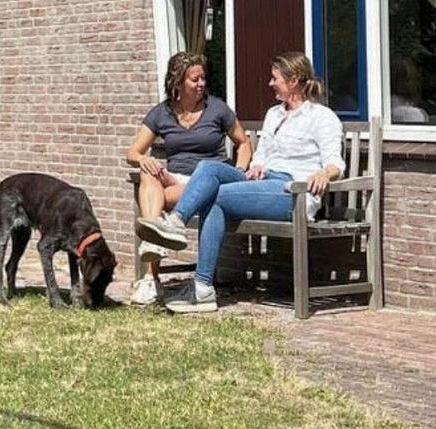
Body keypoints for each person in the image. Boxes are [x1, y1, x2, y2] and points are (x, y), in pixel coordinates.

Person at [136, 52, 346, 313]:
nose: (270, 83)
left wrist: (324, 174)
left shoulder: (322, 117)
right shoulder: (274, 114)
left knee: (215, 197)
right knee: (208, 168)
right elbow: (262, 154)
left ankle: (201, 286)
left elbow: (336, 163)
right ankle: (177, 225)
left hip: (291, 192)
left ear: (293, 81)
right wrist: (256, 165)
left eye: (275, 79)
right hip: (261, 182)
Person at [124, 52, 251, 305]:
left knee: (155, 201)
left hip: (208, 181)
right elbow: (132, 153)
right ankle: (155, 248)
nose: (201, 83)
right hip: (175, 179)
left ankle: (150, 276)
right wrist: (143, 159)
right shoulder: (162, 113)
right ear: (178, 82)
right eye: (195, 79)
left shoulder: (217, 109)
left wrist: (240, 170)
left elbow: (244, 142)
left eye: (203, 78)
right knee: (148, 173)